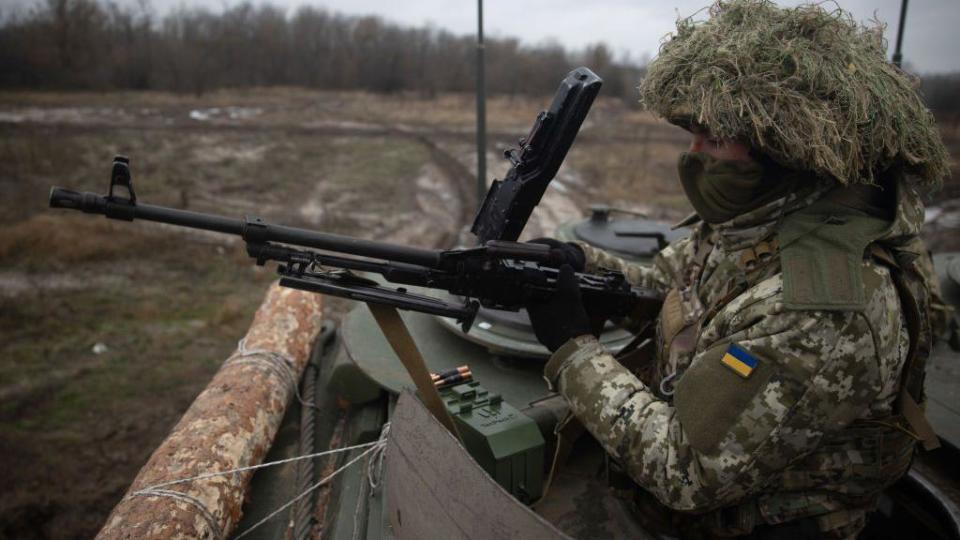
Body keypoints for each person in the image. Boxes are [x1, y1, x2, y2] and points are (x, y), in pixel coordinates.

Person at [524, 1, 950, 538]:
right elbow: (678, 283)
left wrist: (574, 350)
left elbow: (685, 469)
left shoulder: (819, 307)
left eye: (715, 139)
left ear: (785, 154)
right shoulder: (767, 217)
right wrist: (584, 268)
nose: (694, 154)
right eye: (693, 134)